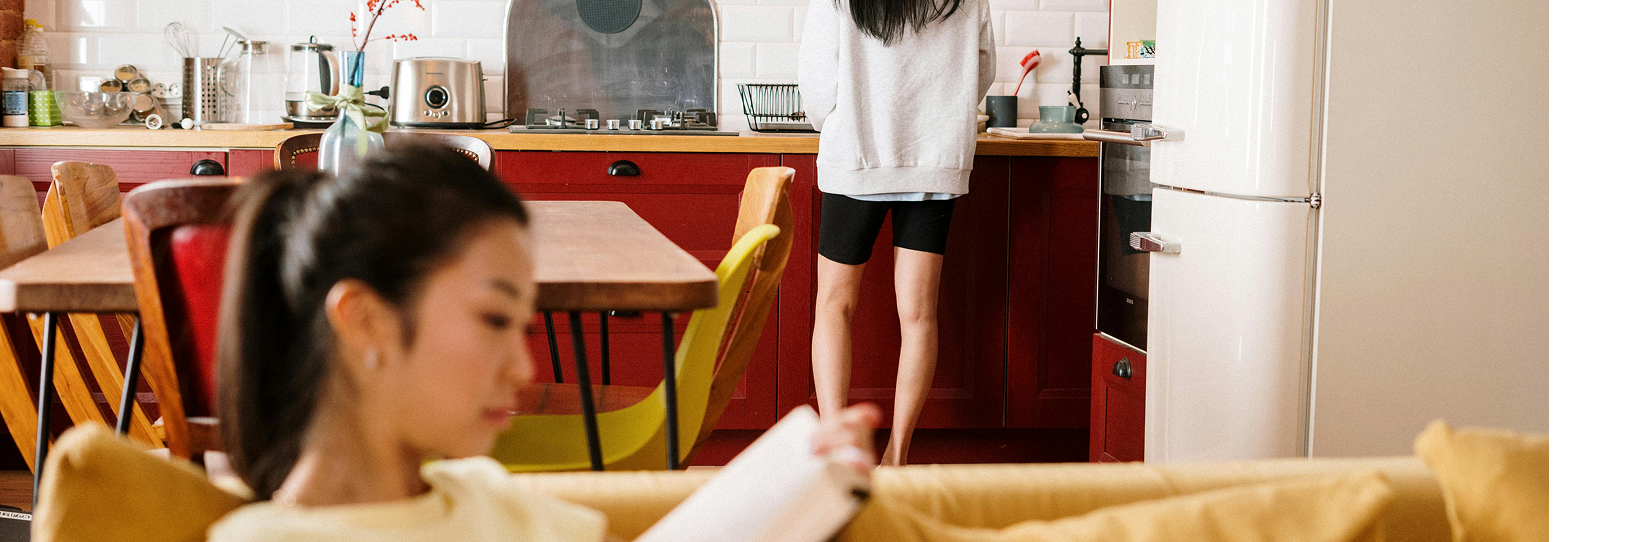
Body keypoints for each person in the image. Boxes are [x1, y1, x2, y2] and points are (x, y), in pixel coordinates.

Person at [208, 143, 881, 541]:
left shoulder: (485, 495)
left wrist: (782, 492)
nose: (524, 367)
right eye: (495, 321)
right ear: (364, 321)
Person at [799, 0, 995, 466]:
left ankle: (837, 449)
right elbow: (982, 70)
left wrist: (838, 123)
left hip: (857, 158)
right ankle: (897, 457)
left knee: (834, 304)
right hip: (934, 161)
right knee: (920, 315)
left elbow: (816, 86)